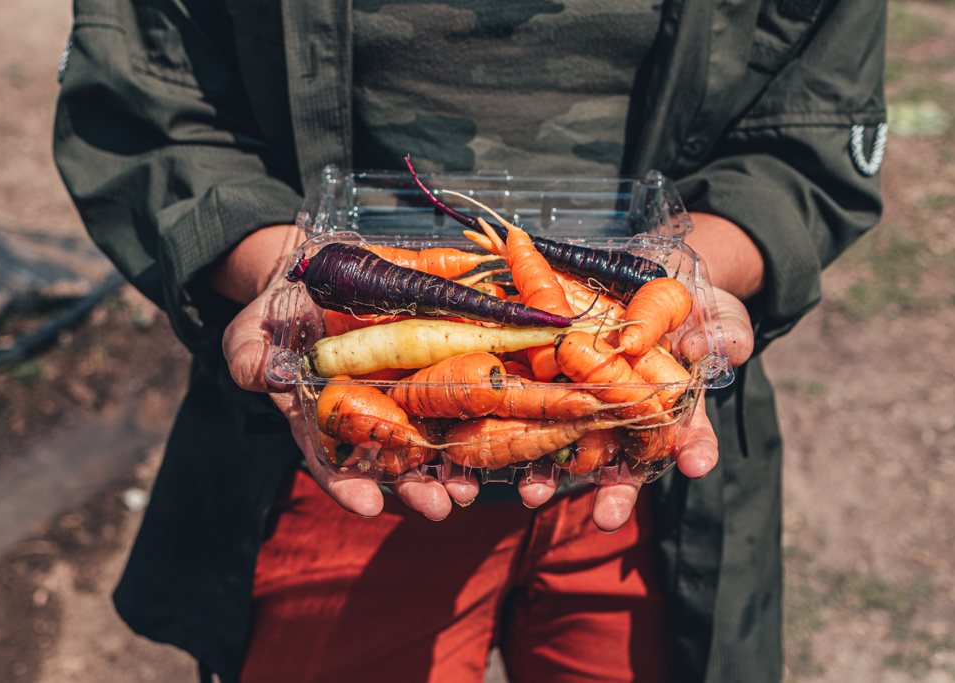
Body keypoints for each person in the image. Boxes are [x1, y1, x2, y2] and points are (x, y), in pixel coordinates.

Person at [53, 0, 886, 681]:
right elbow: (151, 106)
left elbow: (802, 139)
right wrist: (287, 269)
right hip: (347, 450)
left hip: (640, 457)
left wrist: (687, 284)